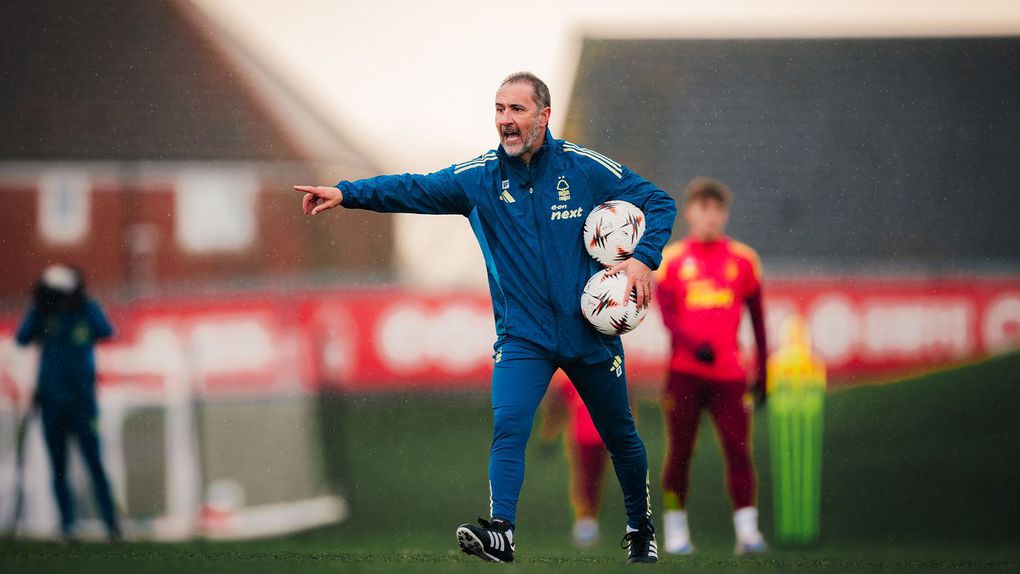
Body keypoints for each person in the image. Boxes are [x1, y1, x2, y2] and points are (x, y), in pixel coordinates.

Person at [294, 71, 676, 563]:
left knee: (620, 436)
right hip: (524, 337)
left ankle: (639, 529)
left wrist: (643, 257)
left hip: (590, 333)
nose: (505, 121)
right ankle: (502, 532)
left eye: (516, 109)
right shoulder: (479, 179)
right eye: (499, 109)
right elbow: (413, 188)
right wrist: (347, 193)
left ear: (544, 115)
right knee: (510, 424)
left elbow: (659, 202)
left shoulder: (583, 168)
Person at [654, 178, 768, 556]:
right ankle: (674, 531)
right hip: (684, 374)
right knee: (679, 454)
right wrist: (692, 345)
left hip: (730, 377)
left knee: (739, 451)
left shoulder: (743, 260)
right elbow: (667, 316)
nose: (709, 216)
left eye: (716, 209)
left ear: (725, 214)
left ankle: (748, 534)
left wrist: (763, 371)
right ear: (689, 212)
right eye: (702, 208)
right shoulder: (670, 260)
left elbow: (759, 320)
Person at [15, 264, 122, 542]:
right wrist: (38, 309)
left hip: (82, 402)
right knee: (58, 466)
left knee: (94, 464)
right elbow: (22, 338)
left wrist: (82, 307)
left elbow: (108, 331)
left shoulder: (86, 311)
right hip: (51, 402)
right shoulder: (43, 314)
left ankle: (112, 525)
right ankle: (68, 526)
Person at [538, 370, 609, 548]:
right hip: (585, 436)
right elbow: (556, 406)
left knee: (594, 479)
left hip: (602, 435)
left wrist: (549, 433)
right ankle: (585, 522)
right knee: (587, 478)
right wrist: (549, 433)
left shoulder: (602, 373)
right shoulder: (571, 379)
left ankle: (588, 521)